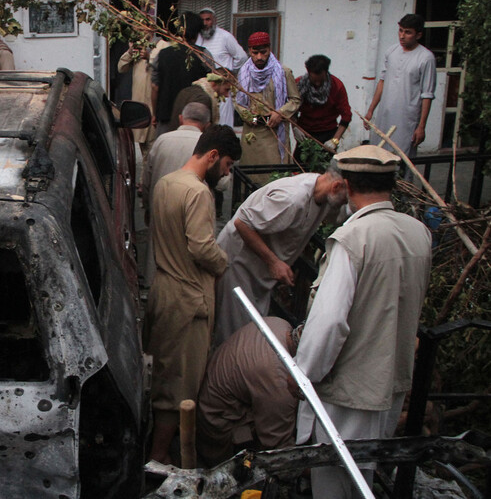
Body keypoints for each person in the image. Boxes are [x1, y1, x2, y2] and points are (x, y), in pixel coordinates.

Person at [294, 145, 432, 497]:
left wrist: (303, 374)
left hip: (347, 391)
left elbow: (328, 323)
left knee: (335, 481)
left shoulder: (353, 239)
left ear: (347, 185)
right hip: (390, 385)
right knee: (364, 477)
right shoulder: (418, 232)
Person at [144, 125, 241, 464]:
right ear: (212, 156)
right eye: (227, 165)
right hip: (189, 300)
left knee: (162, 377)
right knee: (179, 389)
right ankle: (160, 459)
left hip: (164, 290)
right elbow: (202, 248)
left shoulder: (165, 183)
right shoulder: (198, 193)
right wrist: (224, 261)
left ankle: (158, 452)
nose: (226, 173)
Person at [213, 167, 347, 345]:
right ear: (336, 187)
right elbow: (242, 223)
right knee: (232, 333)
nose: (346, 203)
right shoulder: (293, 198)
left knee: (250, 329)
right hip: (238, 264)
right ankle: (221, 370)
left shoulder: (321, 194)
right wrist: (274, 262)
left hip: (257, 272)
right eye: (347, 197)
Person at [197, 317, 301, 467]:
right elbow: (279, 450)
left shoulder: (279, 324)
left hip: (210, 400)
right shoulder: (278, 380)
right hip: (218, 426)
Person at [141, 102, 212, 286]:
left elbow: (147, 177)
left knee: (158, 252)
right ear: (207, 124)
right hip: (192, 205)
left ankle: (153, 288)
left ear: (181, 118)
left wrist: (147, 206)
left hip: (161, 201)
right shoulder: (206, 144)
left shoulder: (162, 140)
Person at [364, 14, 437, 157]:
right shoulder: (391, 51)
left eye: (408, 32)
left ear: (418, 35)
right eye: (401, 30)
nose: (402, 36)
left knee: (401, 158)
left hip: (407, 119)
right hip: (384, 115)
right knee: (378, 155)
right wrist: (371, 110)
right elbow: (382, 81)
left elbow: (427, 95)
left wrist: (421, 126)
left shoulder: (426, 58)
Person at [235, 32, 301, 179]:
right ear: (249, 51)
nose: (259, 57)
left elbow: (295, 100)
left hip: (275, 135)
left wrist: (280, 113)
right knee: (250, 177)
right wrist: (249, 117)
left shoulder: (283, 72)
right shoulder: (244, 73)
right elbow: (237, 101)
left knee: (274, 177)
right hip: (252, 134)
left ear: (269, 50)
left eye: (263, 52)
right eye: (255, 52)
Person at [151, 12, 212, 137]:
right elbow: (211, 87)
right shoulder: (204, 55)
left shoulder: (162, 54)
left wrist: (155, 114)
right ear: (198, 33)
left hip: (166, 117)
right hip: (196, 119)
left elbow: (155, 87)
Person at [196, 8, 248, 125]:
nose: (205, 23)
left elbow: (242, 57)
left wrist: (229, 73)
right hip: (206, 87)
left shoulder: (225, 37)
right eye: (202, 20)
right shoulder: (197, 38)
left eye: (208, 19)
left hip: (223, 87)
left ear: (215, 20)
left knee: (223, 121)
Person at [295, 54, 352, 146]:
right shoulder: (298, 85)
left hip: (328, 132)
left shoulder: (337, 86)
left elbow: (346, 115)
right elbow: (291, 109)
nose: (317, 84)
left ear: (326, 72)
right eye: (314, 81)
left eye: (321, 81)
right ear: (308, 73)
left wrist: (335, 140)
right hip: (305, 132)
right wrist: (295, 128)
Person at [117, 42, 156, 157]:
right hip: (140, 108)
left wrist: (150, 58)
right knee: (145, 152)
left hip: (155, 109)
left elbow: (165, 68)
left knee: (153, 153)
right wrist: (130, 53)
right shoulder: (138, 48)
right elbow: (121, 67)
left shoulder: (161, 45)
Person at [168, 68, 234, 131]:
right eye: (226, 89)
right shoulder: (202, 99)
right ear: (214, 83)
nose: (227, 95)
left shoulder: (188, 90)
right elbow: (195, 127)